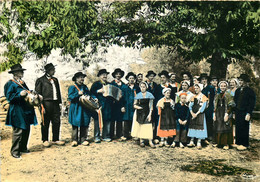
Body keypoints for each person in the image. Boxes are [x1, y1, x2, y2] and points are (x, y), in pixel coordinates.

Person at [4, 64, 38, 158]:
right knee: (18, 130)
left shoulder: (22, 82)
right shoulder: (10, 84)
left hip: (25, 109)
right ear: (15, 73)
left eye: (22, 71)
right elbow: (9, 98)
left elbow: (26, 92)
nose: (22, 72)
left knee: (26, 128)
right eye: (20, 71)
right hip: (17, 110)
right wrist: (19, 94)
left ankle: (23, 147)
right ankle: (15, 151)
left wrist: (30, 92)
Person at [35, 63, 65, 147]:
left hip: (55, 103)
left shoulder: (55, 80)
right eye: (52, 70)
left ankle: (55, 139)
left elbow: (58, 92)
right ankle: (45, 140)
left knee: (56, 121)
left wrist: (60, 103)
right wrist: (41, 106)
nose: (54, 71)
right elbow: (37, 94)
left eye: (54, 69)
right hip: (46, 103)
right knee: (45, 121)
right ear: (48, 71)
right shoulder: (40, 80)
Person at [68, 72, 99, 147]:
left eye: (83, 77)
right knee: (75, 123)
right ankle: (74, 140)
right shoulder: (72, 87)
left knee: (84, 122)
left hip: (84, 107)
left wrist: (94, 98)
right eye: (80, 77)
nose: (82, 79)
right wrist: (77, 94)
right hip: (76, 107)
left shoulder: (84, 87)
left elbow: (90, 94)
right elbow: (70, 97)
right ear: (76, 79)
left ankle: (83, 139)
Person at [90, 69, 114, 142]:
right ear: (99, 76)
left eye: (106, 74)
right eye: (102, 74)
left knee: (107, 120)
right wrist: (97, 91)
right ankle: (96, 136)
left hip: (108, 105)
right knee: (97, 120)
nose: (104, 76)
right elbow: (90, 93)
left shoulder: (109, 84)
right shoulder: (96, 84)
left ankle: (106, 136)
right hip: (98, 105)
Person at [234, 74, 256, 150]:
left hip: (245, 112)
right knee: (238, 126)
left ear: (246, 82)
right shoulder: (237, 91)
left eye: (242, 80)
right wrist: (234, 112)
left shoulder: (250, 91)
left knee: (244, 127)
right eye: (239, 80)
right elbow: (235, 101)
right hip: (238, 111)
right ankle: (238, 142)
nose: (240, 82)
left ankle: (244, 143)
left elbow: (251, 103)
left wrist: (249, 113)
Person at [131, 81, 155, 148]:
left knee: (148, 126)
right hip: (140, 112)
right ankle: (142, 141)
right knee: (141, 126)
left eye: (144, 87)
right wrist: (138, 107)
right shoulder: (138, 95)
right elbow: (134, 105)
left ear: (146, 87)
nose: (142, 88)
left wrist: (150, 114)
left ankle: (150, 141)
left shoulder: (150, 95)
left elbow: (151, 106)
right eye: (141, 87)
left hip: (147, 112)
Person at [213, 81, 234, 150]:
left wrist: (227, 114)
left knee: (226, 127)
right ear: (219, 87)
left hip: (225, 112)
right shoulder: (217, 95)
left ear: (226, 87)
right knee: (218, 126)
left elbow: (230, 105)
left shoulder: (228, 95)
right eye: (221, 86)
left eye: (224, 86)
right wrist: (214, 114)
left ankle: (226, 143)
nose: (223, 87)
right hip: (219, 113)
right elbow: (215, 105)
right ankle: (219, 142)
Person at [187, 83, 208, 149]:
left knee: (200, 127)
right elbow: (190, 105)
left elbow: (203, 107)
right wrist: (192, 113)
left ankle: (199, 142)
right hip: (193, 112)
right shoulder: (193, 97)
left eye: (197, 88)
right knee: (193, 126)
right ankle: (192, 141)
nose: (196, 90)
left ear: (200, 89)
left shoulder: (203, 97)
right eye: (195, 88)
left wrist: (196, 114)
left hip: (199, 113)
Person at [121, 72, 139, 140]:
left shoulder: (137, 87)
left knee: (134, 119)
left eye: (133, 78)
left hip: (134, 105)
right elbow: (121, 97)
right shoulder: (124, 87)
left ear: (134, 79)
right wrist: (122, 106)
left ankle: (133, 134)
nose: (131, 79)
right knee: (126, 120)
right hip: (126, 106)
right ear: (128, 79)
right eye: (130, 78)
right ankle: (125, 135)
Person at [199, 73, 215, 144]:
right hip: (200, 106)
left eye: (205, 79)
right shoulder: (199, 87)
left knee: (208, 121)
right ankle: (201, 137)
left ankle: (208, 136)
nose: (204, 80)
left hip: (209, 107)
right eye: (202, 79)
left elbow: (213, 98)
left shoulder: (210, 88)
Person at [110, 68, 125, 140]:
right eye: (117, 74)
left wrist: (123, 105)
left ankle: (119, 134)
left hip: (120, 104)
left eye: (119, 74)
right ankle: (111, 135)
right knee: (112, 120)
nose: (118, 75)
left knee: (119, 120)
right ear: (114, 75)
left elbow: (125, 97)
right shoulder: (111, 83)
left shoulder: (124, 85)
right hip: (113, 104)